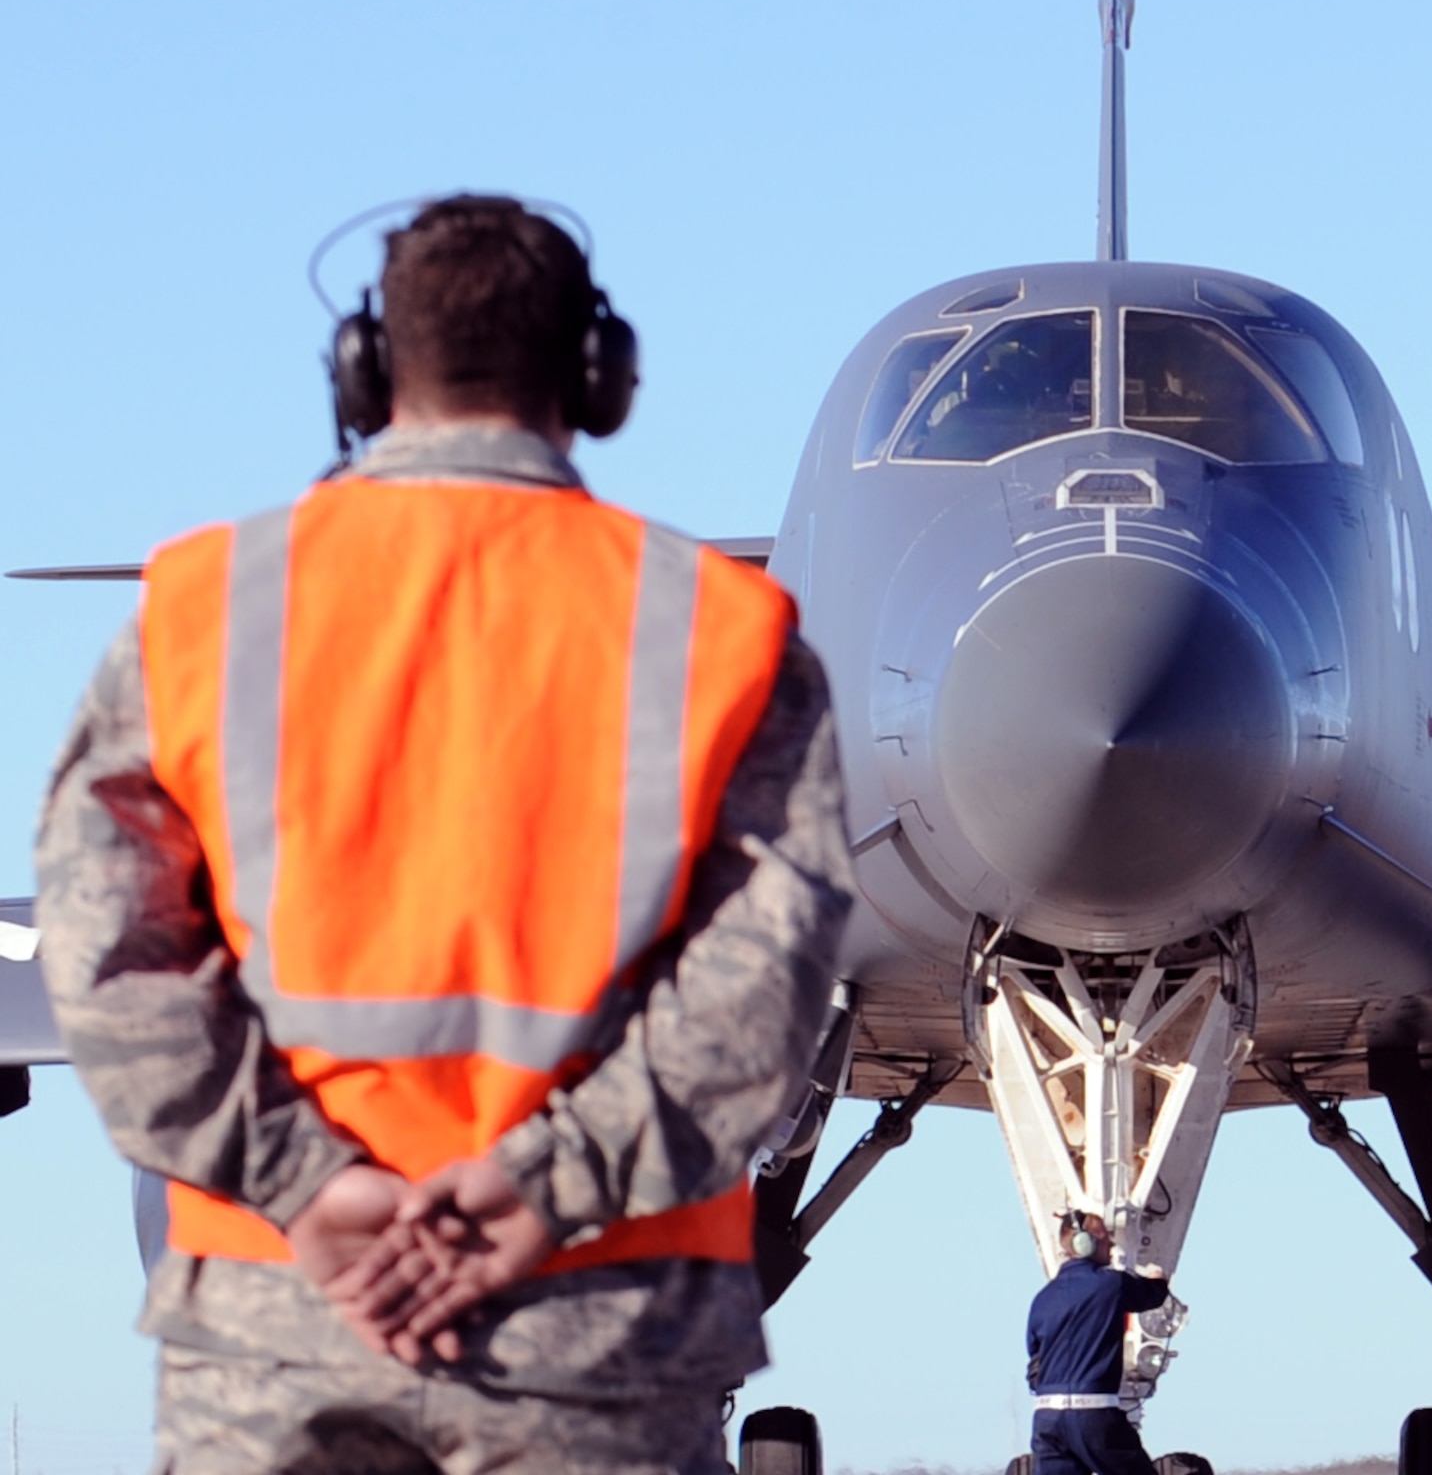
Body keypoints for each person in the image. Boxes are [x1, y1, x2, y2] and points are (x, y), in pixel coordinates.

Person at [34, 195, 854, 1474]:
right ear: (601, 375)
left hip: (280, 1308)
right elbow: (763, 1000)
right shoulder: (719, 631)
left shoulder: (200, 613)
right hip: (601, 1327)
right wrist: (542, 1190)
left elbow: (107, 964)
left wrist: (309, 1187)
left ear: (361, 375)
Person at [1024, 1209, 1173, 1475]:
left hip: (1047, 1421)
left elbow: (1035, 1362)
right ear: (1086, 1244)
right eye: (1106, 1239)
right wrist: (1158, 1279)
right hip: (1093, 1416)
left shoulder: (1041, 1299)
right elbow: (1150, 1296)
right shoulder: (1110, 1285)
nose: (1112, 1245)